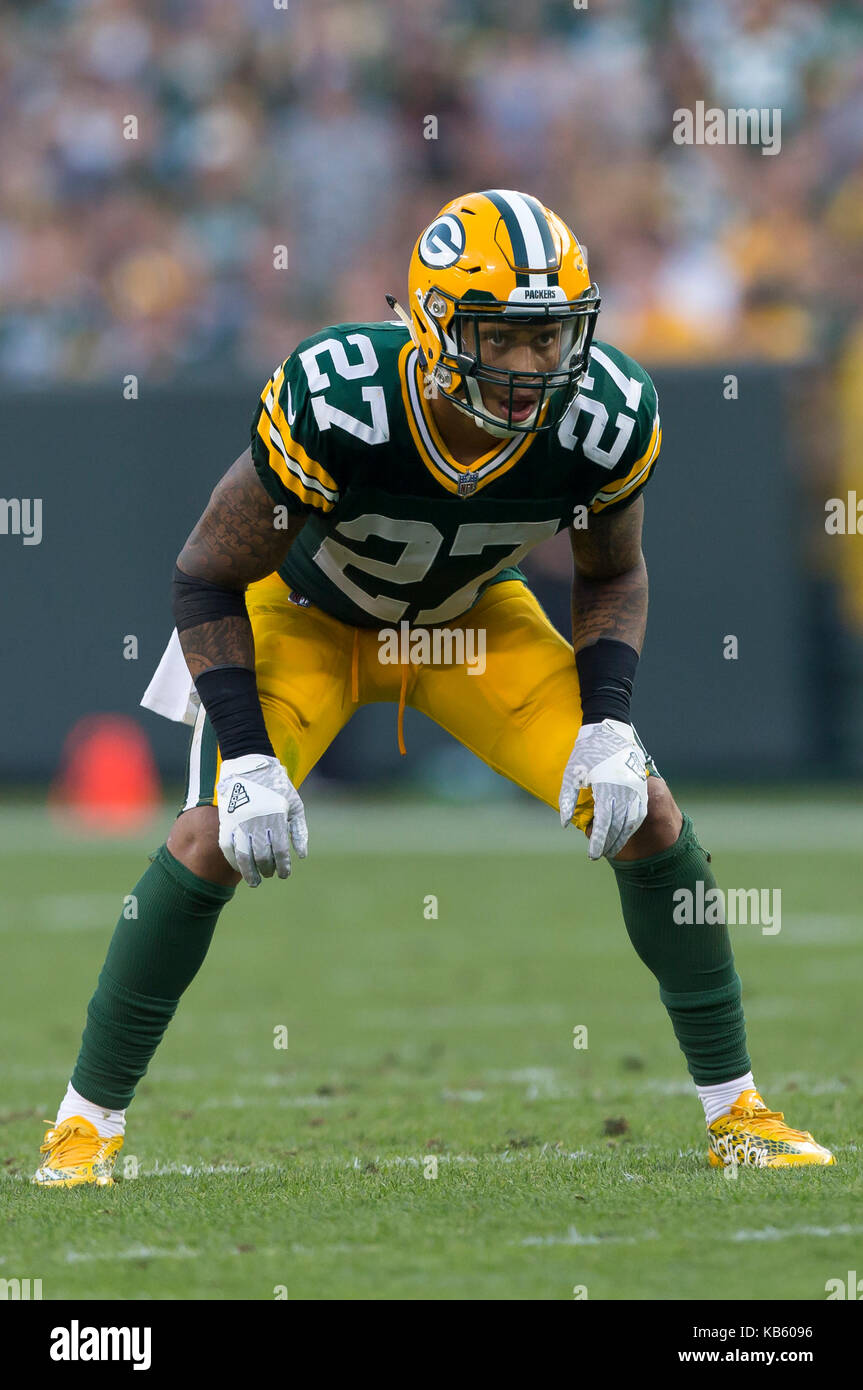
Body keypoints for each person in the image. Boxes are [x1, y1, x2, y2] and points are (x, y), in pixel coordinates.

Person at [33, 189, 833, 1186]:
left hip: (467, 624)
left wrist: (610, 725)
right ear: (430, 324)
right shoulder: (339, 398)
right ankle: (82, 1123)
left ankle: (737, 1112)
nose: (529, 366)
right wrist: (243, 754)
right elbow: (204, 572)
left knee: (647, 817)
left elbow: (610, 569)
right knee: (208, 837)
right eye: (501, 335)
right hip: (306, 615)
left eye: (550, 338)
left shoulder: (603, 416)